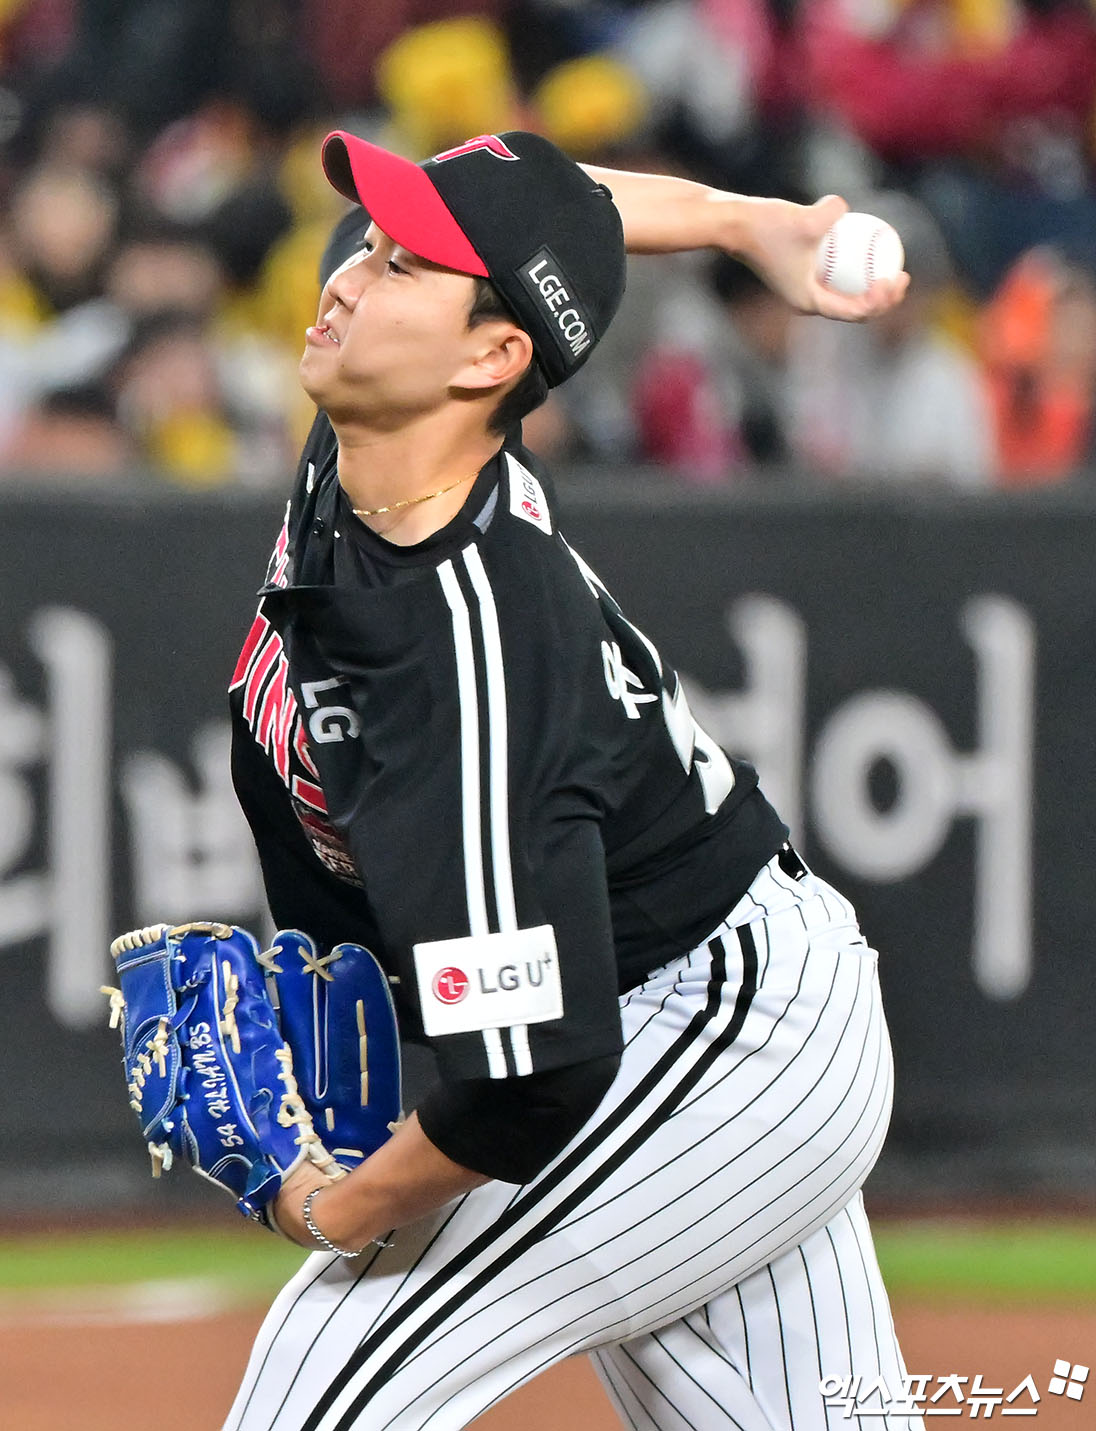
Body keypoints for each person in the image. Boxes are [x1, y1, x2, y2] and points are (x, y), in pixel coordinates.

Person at [224, 128, 914, 1430]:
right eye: (373, 244)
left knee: (326, 1381)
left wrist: (332, 1204)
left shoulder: (473, 640)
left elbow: (536, 1073)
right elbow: (559, 208)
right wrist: (741, 221)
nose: (349, 273)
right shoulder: (385, 411)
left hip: (714, 1034)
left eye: (400, 264)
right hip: (694, 999)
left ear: (491, 360)